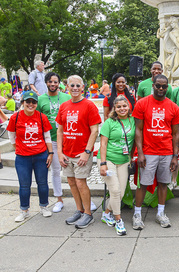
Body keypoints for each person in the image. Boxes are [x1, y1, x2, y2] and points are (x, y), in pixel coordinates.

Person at [132, 74, 179, 230]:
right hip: (149, 151)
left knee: (163, 183)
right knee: (144, 184)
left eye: (164, 86)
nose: (161, 89)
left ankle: (160, 213)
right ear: (152, 85)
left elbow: (175, 134)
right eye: (158, 86)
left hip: (166, 152)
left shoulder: (173, 107)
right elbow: (138, 130)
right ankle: (137, 214)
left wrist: (175, 156)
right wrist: (140, 153)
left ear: (167, 87)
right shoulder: (142, 104)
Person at [56, 75, 102, 229]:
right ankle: (79, 210)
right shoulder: (64, 106)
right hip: (66, 152)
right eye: (72, 85)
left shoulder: (89, 106)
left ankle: (88, 214)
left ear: (83, 88)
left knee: (81, 182)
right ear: (67, 87)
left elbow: (94, 130)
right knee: (71, 182)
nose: (75, 88)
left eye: (78, 85)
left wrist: (87, 152)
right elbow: (60, 131)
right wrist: (59, 153)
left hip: (81, 152)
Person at [6, 91, 54, 222]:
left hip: (40, 155)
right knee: (24, 185)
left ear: (36, 104)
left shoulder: (41, 117)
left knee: (42, 183)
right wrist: (19, 148)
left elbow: (47, 137)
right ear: (23, 103)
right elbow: (11, 136)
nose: (31, 104)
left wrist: (50, 153)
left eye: (34, 102)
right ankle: (24, 210)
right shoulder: (16, 117)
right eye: (28, 102)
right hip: (23, 157)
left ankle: (44, 206)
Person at [98, 96, 135, 236]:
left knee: (119, 194)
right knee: (115, 190)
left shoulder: (133, 120)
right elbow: (103, 144)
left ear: (128, 107)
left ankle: (106, 213)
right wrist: (103, 164)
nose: (122, 109)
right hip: (109, 160)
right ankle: (119, 221)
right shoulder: (109, 122)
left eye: (124, 106)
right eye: (119, 107)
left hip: (124, 160)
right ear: (115, 108)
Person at [37, 72, 71, 213]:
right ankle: (59, 199)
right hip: (51, 140)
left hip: (68, 139)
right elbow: (37, 119)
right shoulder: (40, 100)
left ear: (59, 84)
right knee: (56, 170)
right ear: (46, 83)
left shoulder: (67, 97)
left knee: (74, 172)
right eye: (50, 82)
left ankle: (82, 198)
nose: (53, 84)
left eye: (55, 82)